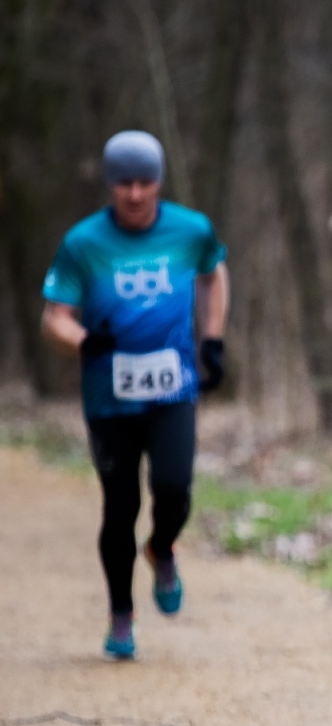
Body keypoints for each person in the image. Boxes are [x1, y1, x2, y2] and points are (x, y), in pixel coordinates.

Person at [40, 130, 229, 660]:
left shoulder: (190, 230)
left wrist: (212, 340)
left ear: (159, 182)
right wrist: (83, 340)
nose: (136, 194)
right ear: (110, 186)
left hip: (174, 389)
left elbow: (215, 274)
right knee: (119, 506)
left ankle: (162, 546)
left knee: (174, 488)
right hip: (109, 397)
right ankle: (120, 614)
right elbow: (54, 316)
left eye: (145, 182)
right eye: (124, 184)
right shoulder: (84, 243)